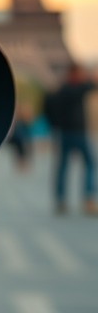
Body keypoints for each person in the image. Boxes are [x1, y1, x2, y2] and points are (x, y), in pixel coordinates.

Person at [44, 61, 97, 215]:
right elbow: (92, 85)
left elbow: (48, 107)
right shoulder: (78, 88)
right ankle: (88, 199)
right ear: (75, 74)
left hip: (63, 133)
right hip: (78, 132)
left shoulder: (60, 90)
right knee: (89, 164)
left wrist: (54, 125)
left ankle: (60, 200)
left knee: (62, 167)